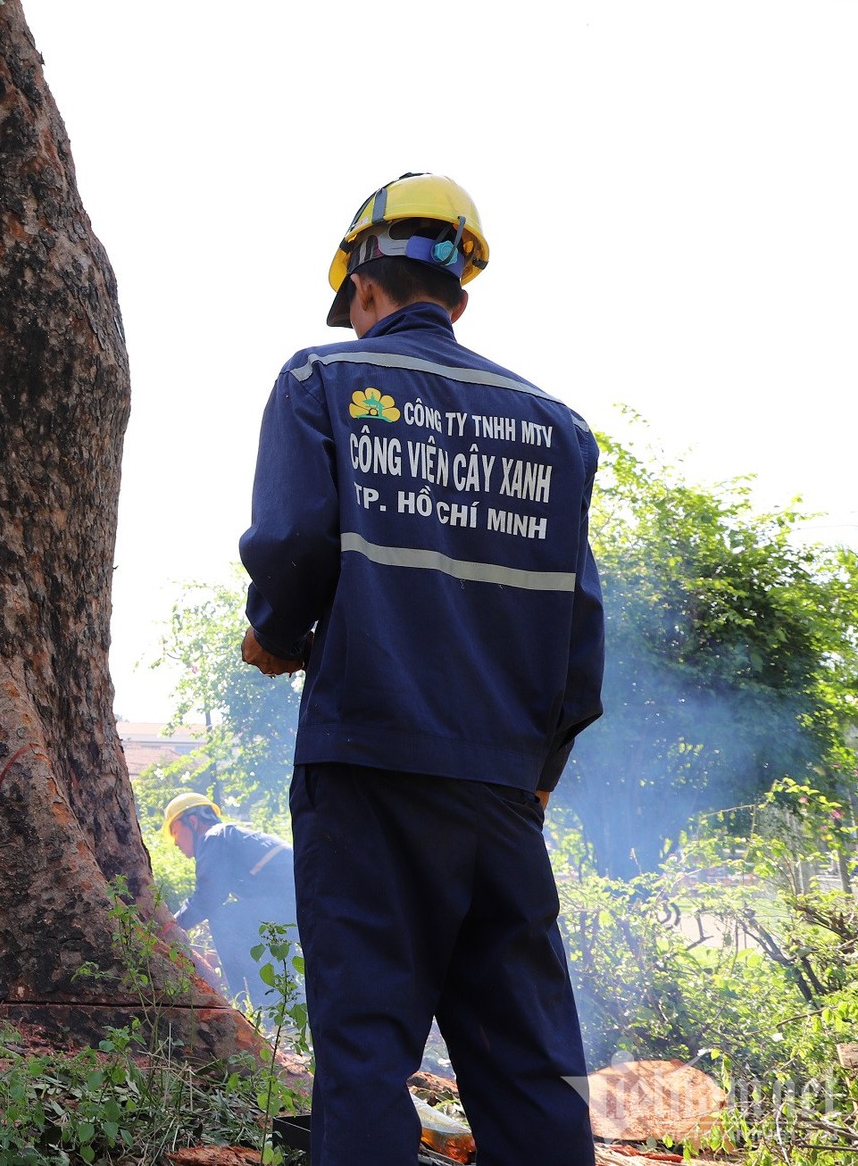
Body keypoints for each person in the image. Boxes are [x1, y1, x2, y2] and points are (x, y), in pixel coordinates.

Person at [238, 173, 604, 1165]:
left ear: (361, 288)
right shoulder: (556, 429)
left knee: (363, 1051)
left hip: (367, 766)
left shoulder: (322, 381)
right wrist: (537, 772)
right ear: (460, 294)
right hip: (497, 792)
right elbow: (581, 633)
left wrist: (274, 630)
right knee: (526, 1064)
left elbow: (289, 540)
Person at [162, 792, 295, 1017]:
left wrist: (172, 926)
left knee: (225, 918)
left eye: (175, 831)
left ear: (193, 822)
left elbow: (208, 897)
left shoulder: (213, 837)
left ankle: (246, 1005)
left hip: (292, 905)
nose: (175, 842)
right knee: (249, 926)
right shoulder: (231, 838)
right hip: (299, 905)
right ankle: (282, 1010)